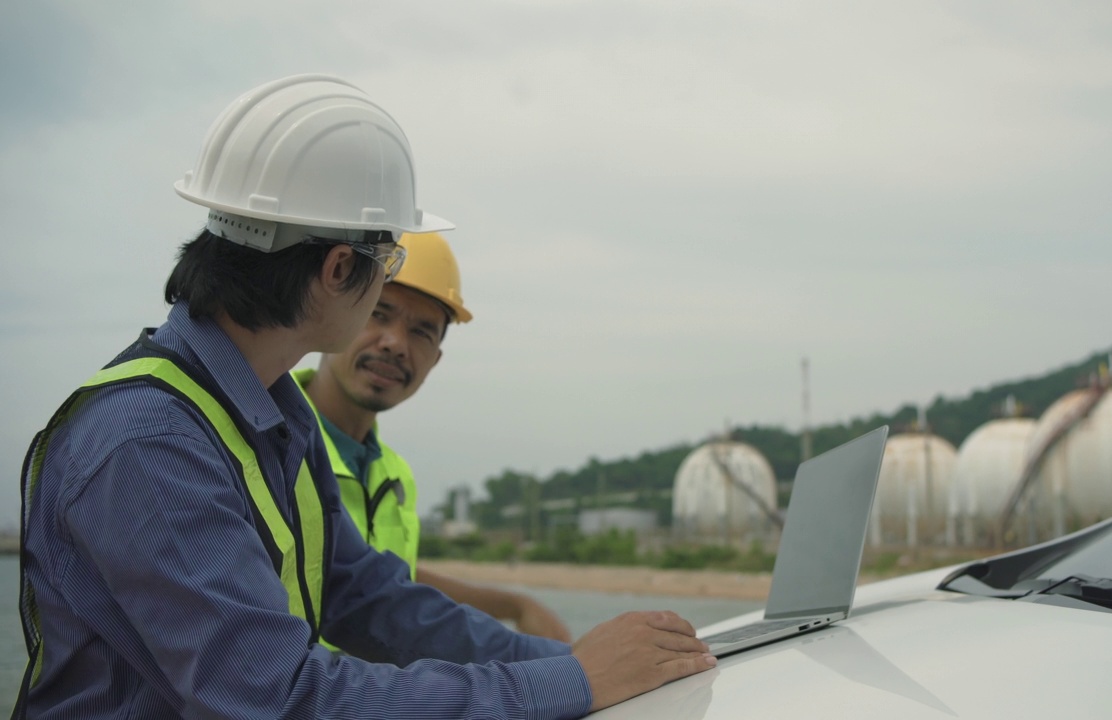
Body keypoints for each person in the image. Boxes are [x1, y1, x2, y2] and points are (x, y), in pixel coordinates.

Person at [13, 74, 714, 719]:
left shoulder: (275, 413)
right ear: (340, 267)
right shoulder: (149, 442)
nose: (388, 299)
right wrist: (570, 684)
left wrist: (580, 664)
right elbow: (283, 698)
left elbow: (365, 597)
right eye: (388, 264)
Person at [294, 230, 572, 642]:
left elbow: (387, 584)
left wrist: (513, 606)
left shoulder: (394, 475)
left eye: (422, 332)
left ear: (435, 360)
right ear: (336, 311)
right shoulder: (271, 442)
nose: (396, 345)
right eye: (378, 312)